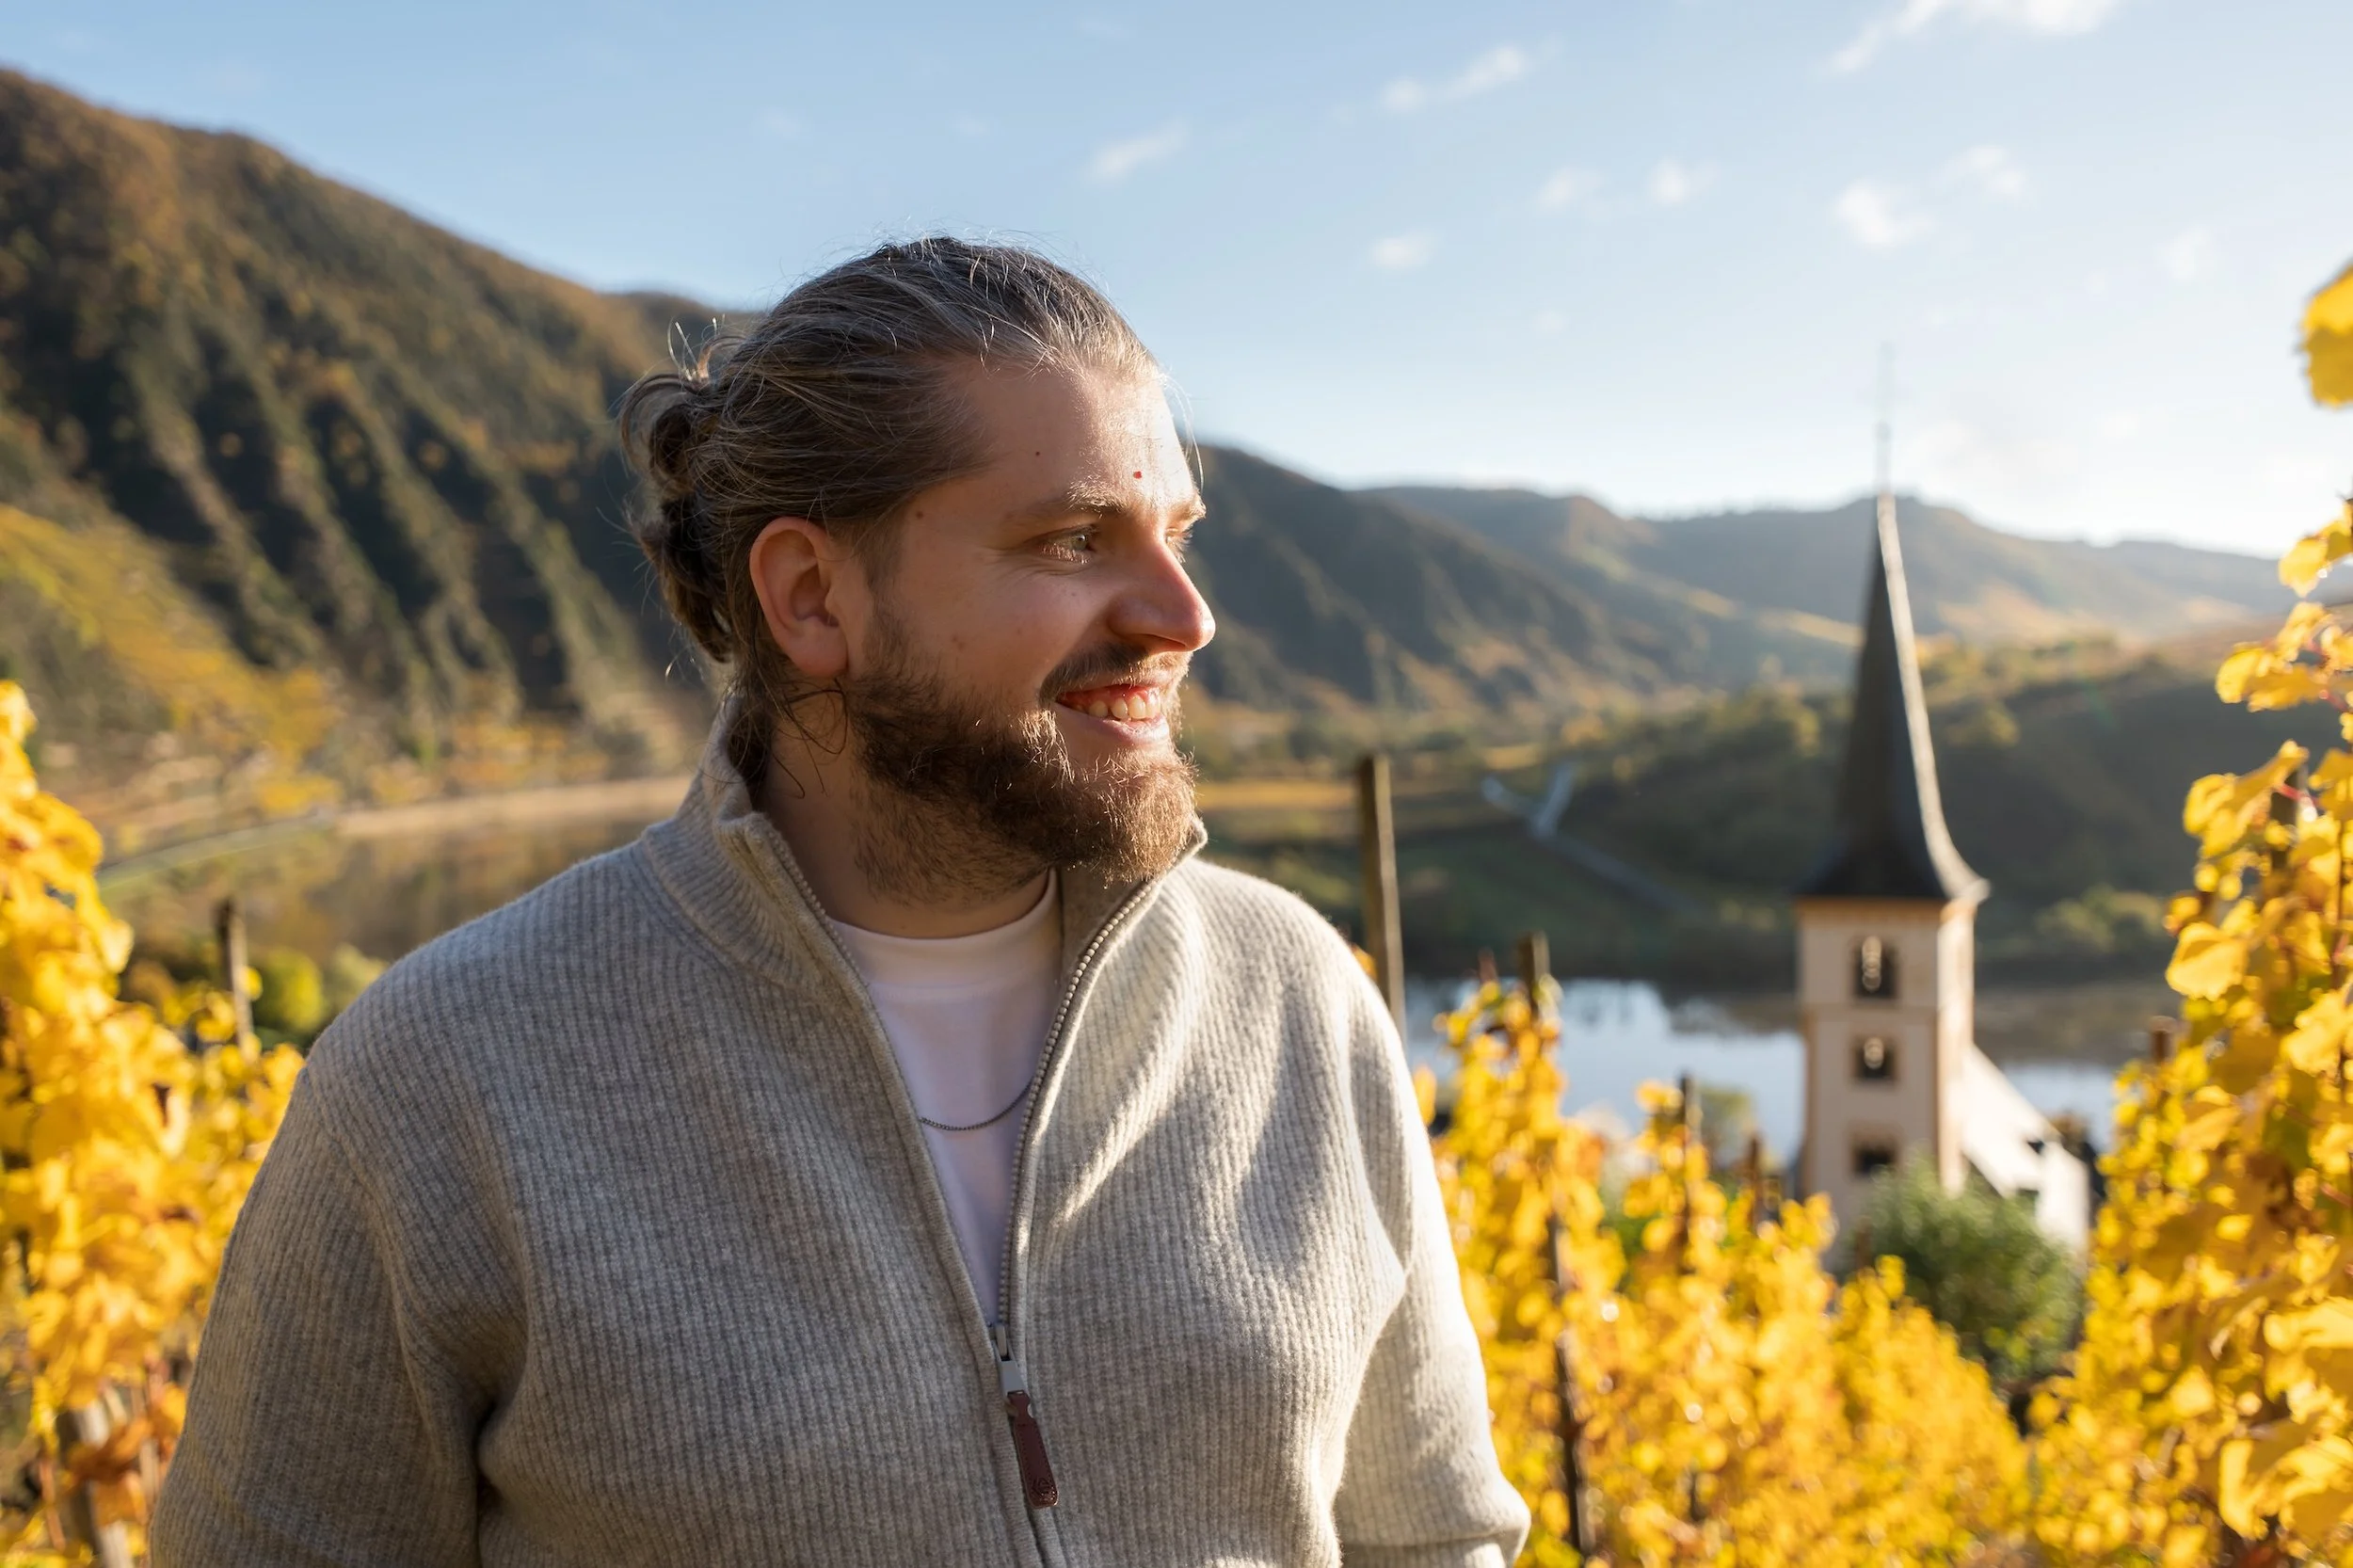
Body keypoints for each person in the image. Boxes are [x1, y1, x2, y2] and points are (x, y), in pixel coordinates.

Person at [152, 237, 1528, 1568]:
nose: (1184, 616)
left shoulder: (1295, 995)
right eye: (1072, 539)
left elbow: (1432, 1538)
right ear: (811, 597)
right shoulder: (442, 1079)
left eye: (1175, 536)